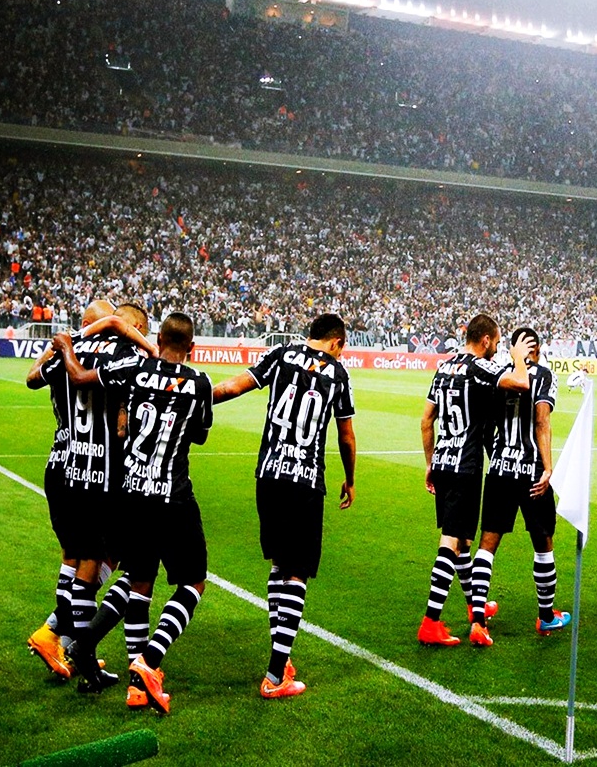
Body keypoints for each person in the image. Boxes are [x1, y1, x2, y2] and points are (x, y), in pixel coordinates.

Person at [55, 312, 215, 715]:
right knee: (193, 584)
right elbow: (198, 434)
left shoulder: (135, 367)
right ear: (192, 348)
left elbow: (81, 379)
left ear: (157, 338)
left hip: (131, 494)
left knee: (139, 585)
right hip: (173, 497)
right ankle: (149, 661)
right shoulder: (198, 384)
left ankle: (134, 686)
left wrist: (66, 347)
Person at [211, 313, 357, 698]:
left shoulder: (280, 353)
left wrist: (189, 395)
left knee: (279, 563)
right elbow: (345, 434)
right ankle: (276, 676)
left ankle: (281, 656)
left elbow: (231, 387)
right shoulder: (339, 375)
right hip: (305, 480)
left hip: (268, 474)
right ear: (337, 342)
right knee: (296, 573)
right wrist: (351, 477)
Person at [24, 300, 156, 682]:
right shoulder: (123, 353)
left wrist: (62, 344)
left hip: (63, 466)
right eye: (137, 327)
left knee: (77, 556)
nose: (139, 334)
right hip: (102, 476)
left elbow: (33, 378)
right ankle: (71, 646)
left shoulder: (70, 351)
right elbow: (120, 426)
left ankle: (60, 639)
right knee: (107, 559)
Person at [418, 313, 531, 648]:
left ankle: (474, 606)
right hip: (465, 466)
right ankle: (431, 621)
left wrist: (429, 463)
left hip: (442, 460)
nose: (496, 349)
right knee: (451, 542)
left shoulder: (444, 367)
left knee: (463, 543)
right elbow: (521, 383)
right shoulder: (480, 367)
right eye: (496, 343)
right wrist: (517, 356)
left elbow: (426, 420)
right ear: (485, 340)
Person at [466, 328, 573, 643]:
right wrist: (548, 467)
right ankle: (545, 617)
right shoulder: (543, 375)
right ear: (536, 349)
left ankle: (478, 621)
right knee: (543, 542)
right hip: (531, 472)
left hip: (500, 469)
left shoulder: (499, 373)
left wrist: (497, 458)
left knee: (487, 545)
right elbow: (542, 421)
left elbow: (486, 426)